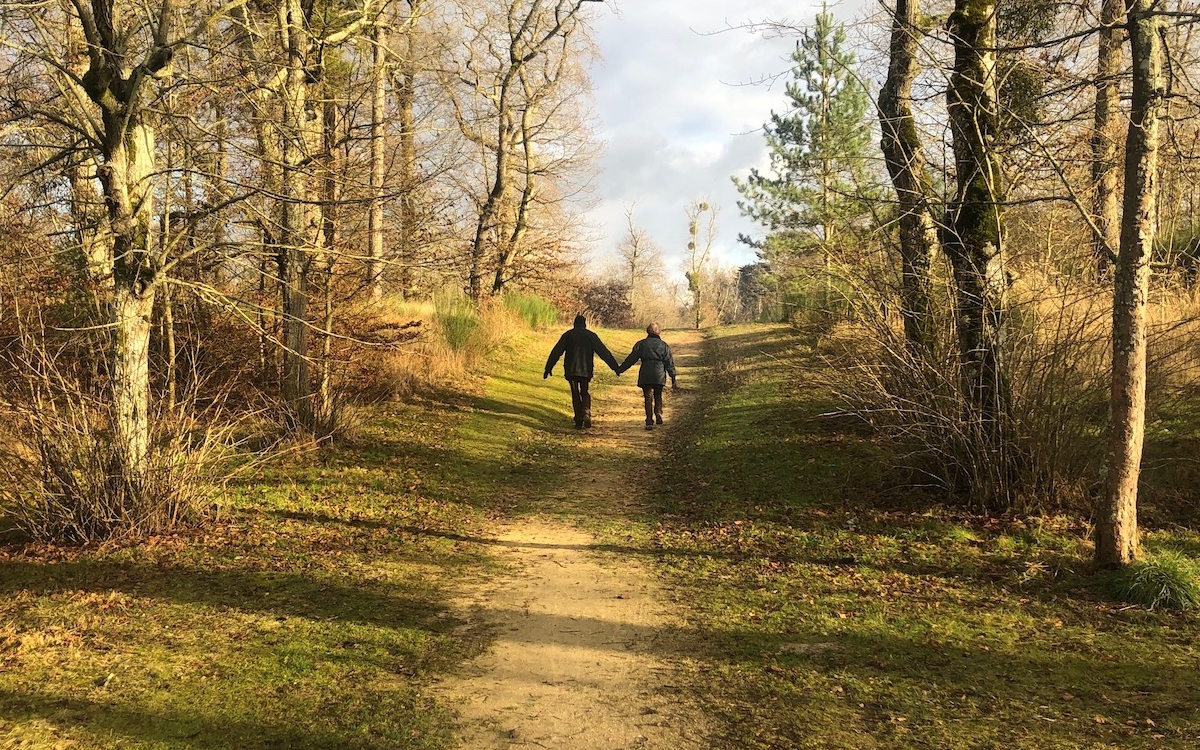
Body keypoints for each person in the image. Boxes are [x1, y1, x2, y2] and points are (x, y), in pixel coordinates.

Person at [544, 314, 621, 428]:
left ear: (574, 324)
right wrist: (615, 367)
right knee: (584, 391)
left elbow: (556, 352)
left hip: (571, 370)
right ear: (585, 324)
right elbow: (603, 352)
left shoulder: (568, 335)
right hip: (585, 369)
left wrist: (548, 368)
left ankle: (579, 420)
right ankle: (586, 411)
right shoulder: (590, 335)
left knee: (575, 393)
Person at [617, 322, 677, 430]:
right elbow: (669, 362)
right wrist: (672, 376)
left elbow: (631, 359)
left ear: (647, 332)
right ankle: (658, 412)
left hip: (646, 372)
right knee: (658, 394)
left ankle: (649, 419)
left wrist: (620, 369)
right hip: (659, 372)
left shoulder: (641, 344)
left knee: (648, 396)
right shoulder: (663, 345)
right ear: (658, 332)